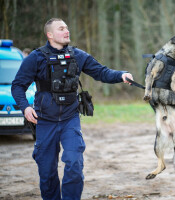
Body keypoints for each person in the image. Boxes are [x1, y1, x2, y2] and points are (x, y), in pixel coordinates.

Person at [11, 18, 133, 200]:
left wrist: (121, 75)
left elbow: (101, 72)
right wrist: (26, 108)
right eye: (61, 29)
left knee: (74, 163)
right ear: (50, 35)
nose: (67, 31)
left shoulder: (78, 55)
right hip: (44, 120)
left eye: (67, 27)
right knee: (47, 171)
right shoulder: (36, 58)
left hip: (70, 119)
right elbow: (18, 86)